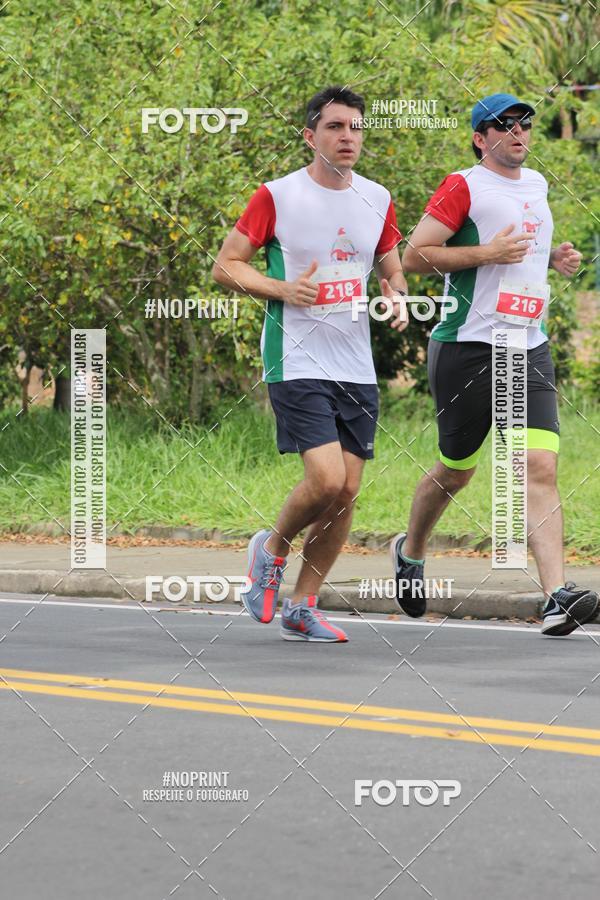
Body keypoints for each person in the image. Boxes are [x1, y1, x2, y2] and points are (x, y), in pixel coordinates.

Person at [394, 92, 598, 637]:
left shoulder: (537, 185)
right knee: (457, 469)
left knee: (539, 466)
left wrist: (554, 258)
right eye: (503, 126)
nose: (518, 133)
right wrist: (486, 254)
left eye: (524, 124)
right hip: (466, 346)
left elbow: (524, 252)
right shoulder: (464, 184)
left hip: (526, 344)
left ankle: (556, 595)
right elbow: (415, 254)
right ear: (480, 138)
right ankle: (410, 550)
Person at [213, 85, 408, 642]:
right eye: (335, 127)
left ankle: (303, 603)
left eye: (356, 127)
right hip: (295, 355)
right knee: (323, 479)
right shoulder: (276, 195)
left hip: (356, 364)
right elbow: (226, 267)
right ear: (310, 135)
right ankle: (270, 552)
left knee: (347, 492)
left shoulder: (377, 197)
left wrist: (395, 294)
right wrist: (280, 288)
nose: (348, 136)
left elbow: (390, 266)